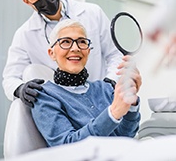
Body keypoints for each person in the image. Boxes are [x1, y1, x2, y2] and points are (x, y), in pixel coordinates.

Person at [2, 0, 123, 107]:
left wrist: (110, 83)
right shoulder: (25, 35)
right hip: (63, 109)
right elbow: (10, 78)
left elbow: (115, 55)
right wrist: (19, 89)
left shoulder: (92, 13)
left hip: (103, 100)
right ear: (27, 1)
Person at [31, 19, 141, 147]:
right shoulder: (45, 96)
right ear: (52, 53)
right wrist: (113, 113)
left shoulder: (104, 89)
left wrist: (131, 104)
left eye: (82, 42)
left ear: (88, 51)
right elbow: (67, 147)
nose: (75, 48)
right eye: (66, 42)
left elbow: (126, 136)